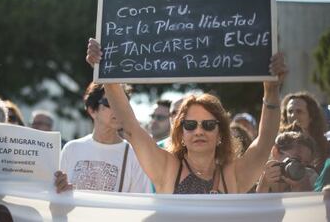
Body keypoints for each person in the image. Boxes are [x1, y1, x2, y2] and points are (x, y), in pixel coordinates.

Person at [86, 38, 287, 194]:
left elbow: (265, 141)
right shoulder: (166, 169)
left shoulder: (232, 176)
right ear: (180, 133)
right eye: (190, 125)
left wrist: (271, 90)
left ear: (220, 134)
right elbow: (131, 127)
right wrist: (107, 74)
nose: (199, 131)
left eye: (208, 125)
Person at [57, 82, 150, 193]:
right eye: (109, 103)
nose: (118, 108)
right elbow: (57, 195)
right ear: (92, 110)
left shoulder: (134, 155)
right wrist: (60, 189)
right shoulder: (71, 148)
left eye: (122, 103)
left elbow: (140, 204)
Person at [280, 91, 329, 172]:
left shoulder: (324, 146)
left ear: (311, 117)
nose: (293, 115)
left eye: (299, 111)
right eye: (290, 111)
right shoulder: (279, 145)